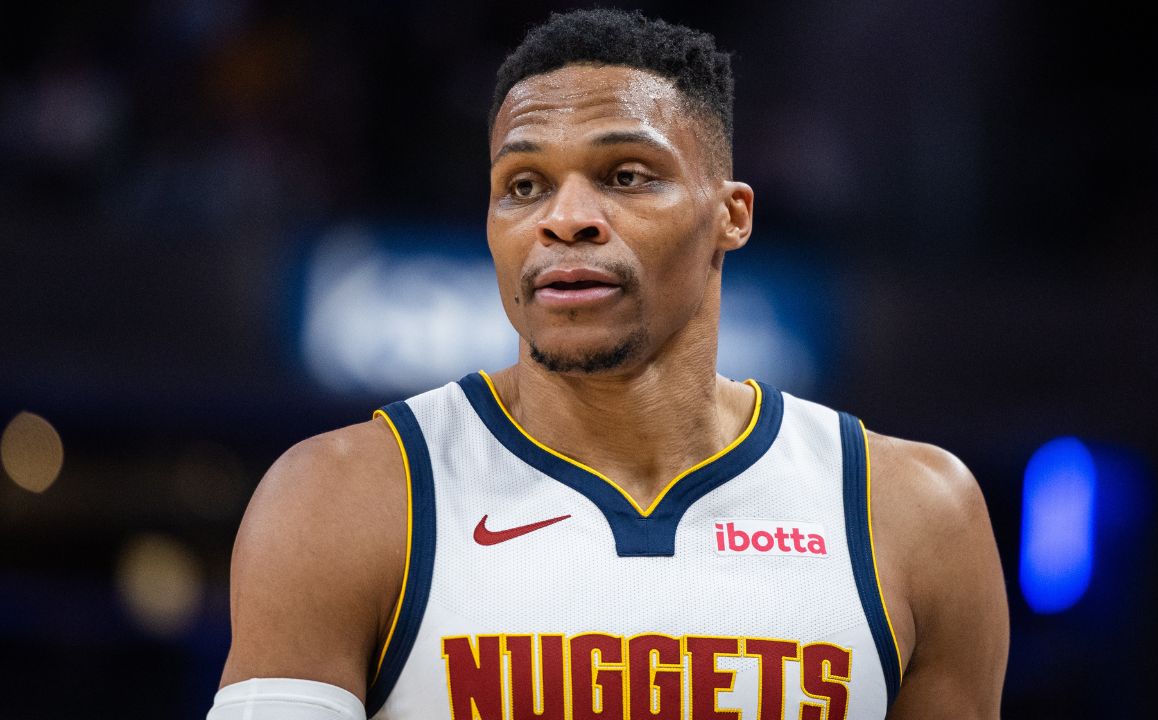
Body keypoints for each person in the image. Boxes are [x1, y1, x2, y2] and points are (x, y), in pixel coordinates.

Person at [208, 8, 1008, 720]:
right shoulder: (343, 501)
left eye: (625, 176)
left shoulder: (913, 513)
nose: (565, 219)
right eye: (523, 185)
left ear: (731, 216)